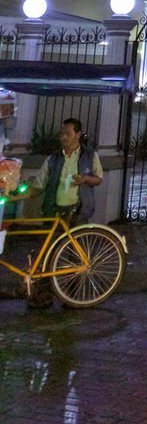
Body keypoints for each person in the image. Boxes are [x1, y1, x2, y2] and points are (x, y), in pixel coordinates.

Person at [21, 118, 103, 307]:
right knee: (47, 253)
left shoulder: (90, 156)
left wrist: (85, 179)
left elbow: (98, 179)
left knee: (75, 255)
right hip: (55, 211)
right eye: (62, 133)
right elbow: (39, 184)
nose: (63, 137)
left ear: (78, 134)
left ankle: (71, 296)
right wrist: (21, 193)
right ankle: (43, 295)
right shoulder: (53, 158)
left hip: (78, 210)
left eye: (68, 133)